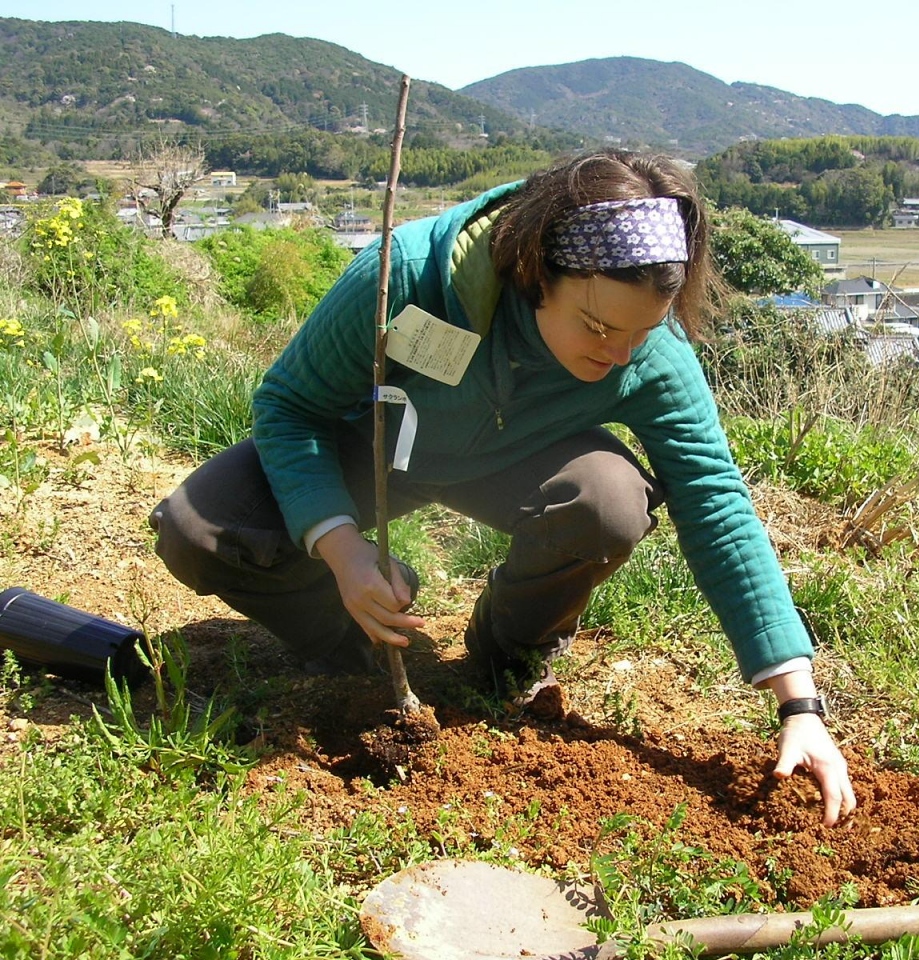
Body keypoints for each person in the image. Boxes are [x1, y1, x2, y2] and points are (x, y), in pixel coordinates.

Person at [150, 150, 856, 826]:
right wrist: (341, 549)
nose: (618, 354)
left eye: (639, 335)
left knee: (609, 502)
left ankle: (506, 655)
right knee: (197, 529)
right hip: (375, 449)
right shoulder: (410, 278)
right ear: (536, 271)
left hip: (520, 465)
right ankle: (355, 639)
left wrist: (800, 706)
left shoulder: (647, 354)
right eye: (597, 326)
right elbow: (289, 404)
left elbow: (716, 503)